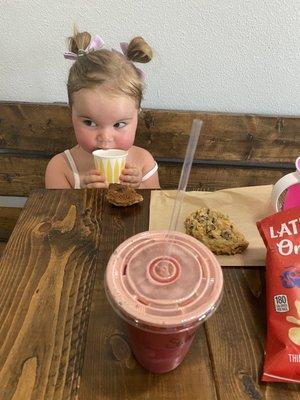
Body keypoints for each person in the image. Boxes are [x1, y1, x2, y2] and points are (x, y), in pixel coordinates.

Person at [45, 28, 160, 189]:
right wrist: (82, 196)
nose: (105, 138)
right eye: (89, 123)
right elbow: (57, 214)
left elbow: (156, 209)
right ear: (71, 113)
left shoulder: (143, 162)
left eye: (119, 124)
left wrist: (140, 186)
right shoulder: (61, 168)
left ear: (137, 116)